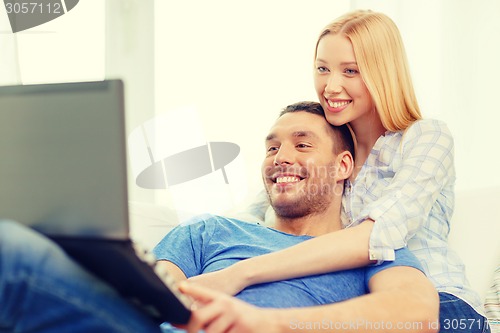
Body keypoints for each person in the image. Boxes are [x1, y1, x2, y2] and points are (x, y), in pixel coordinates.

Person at [0, 102, 438, 333]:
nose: (281, 158)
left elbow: (417, 314)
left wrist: (270, 324)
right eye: (272, 147)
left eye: (302, 145)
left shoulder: (374, 246)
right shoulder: (209, 230)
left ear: (344, 166)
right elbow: (157, 289)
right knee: (11, 244)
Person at [186, 9, 490, 333]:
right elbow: (254, 220)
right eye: (322, 69)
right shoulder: (323, 153)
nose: (331, 86)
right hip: (354, 303)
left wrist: (236, 275)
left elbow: (376, 236)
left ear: (382, 73)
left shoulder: (426, 137)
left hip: (439, 305)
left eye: (350, 71)